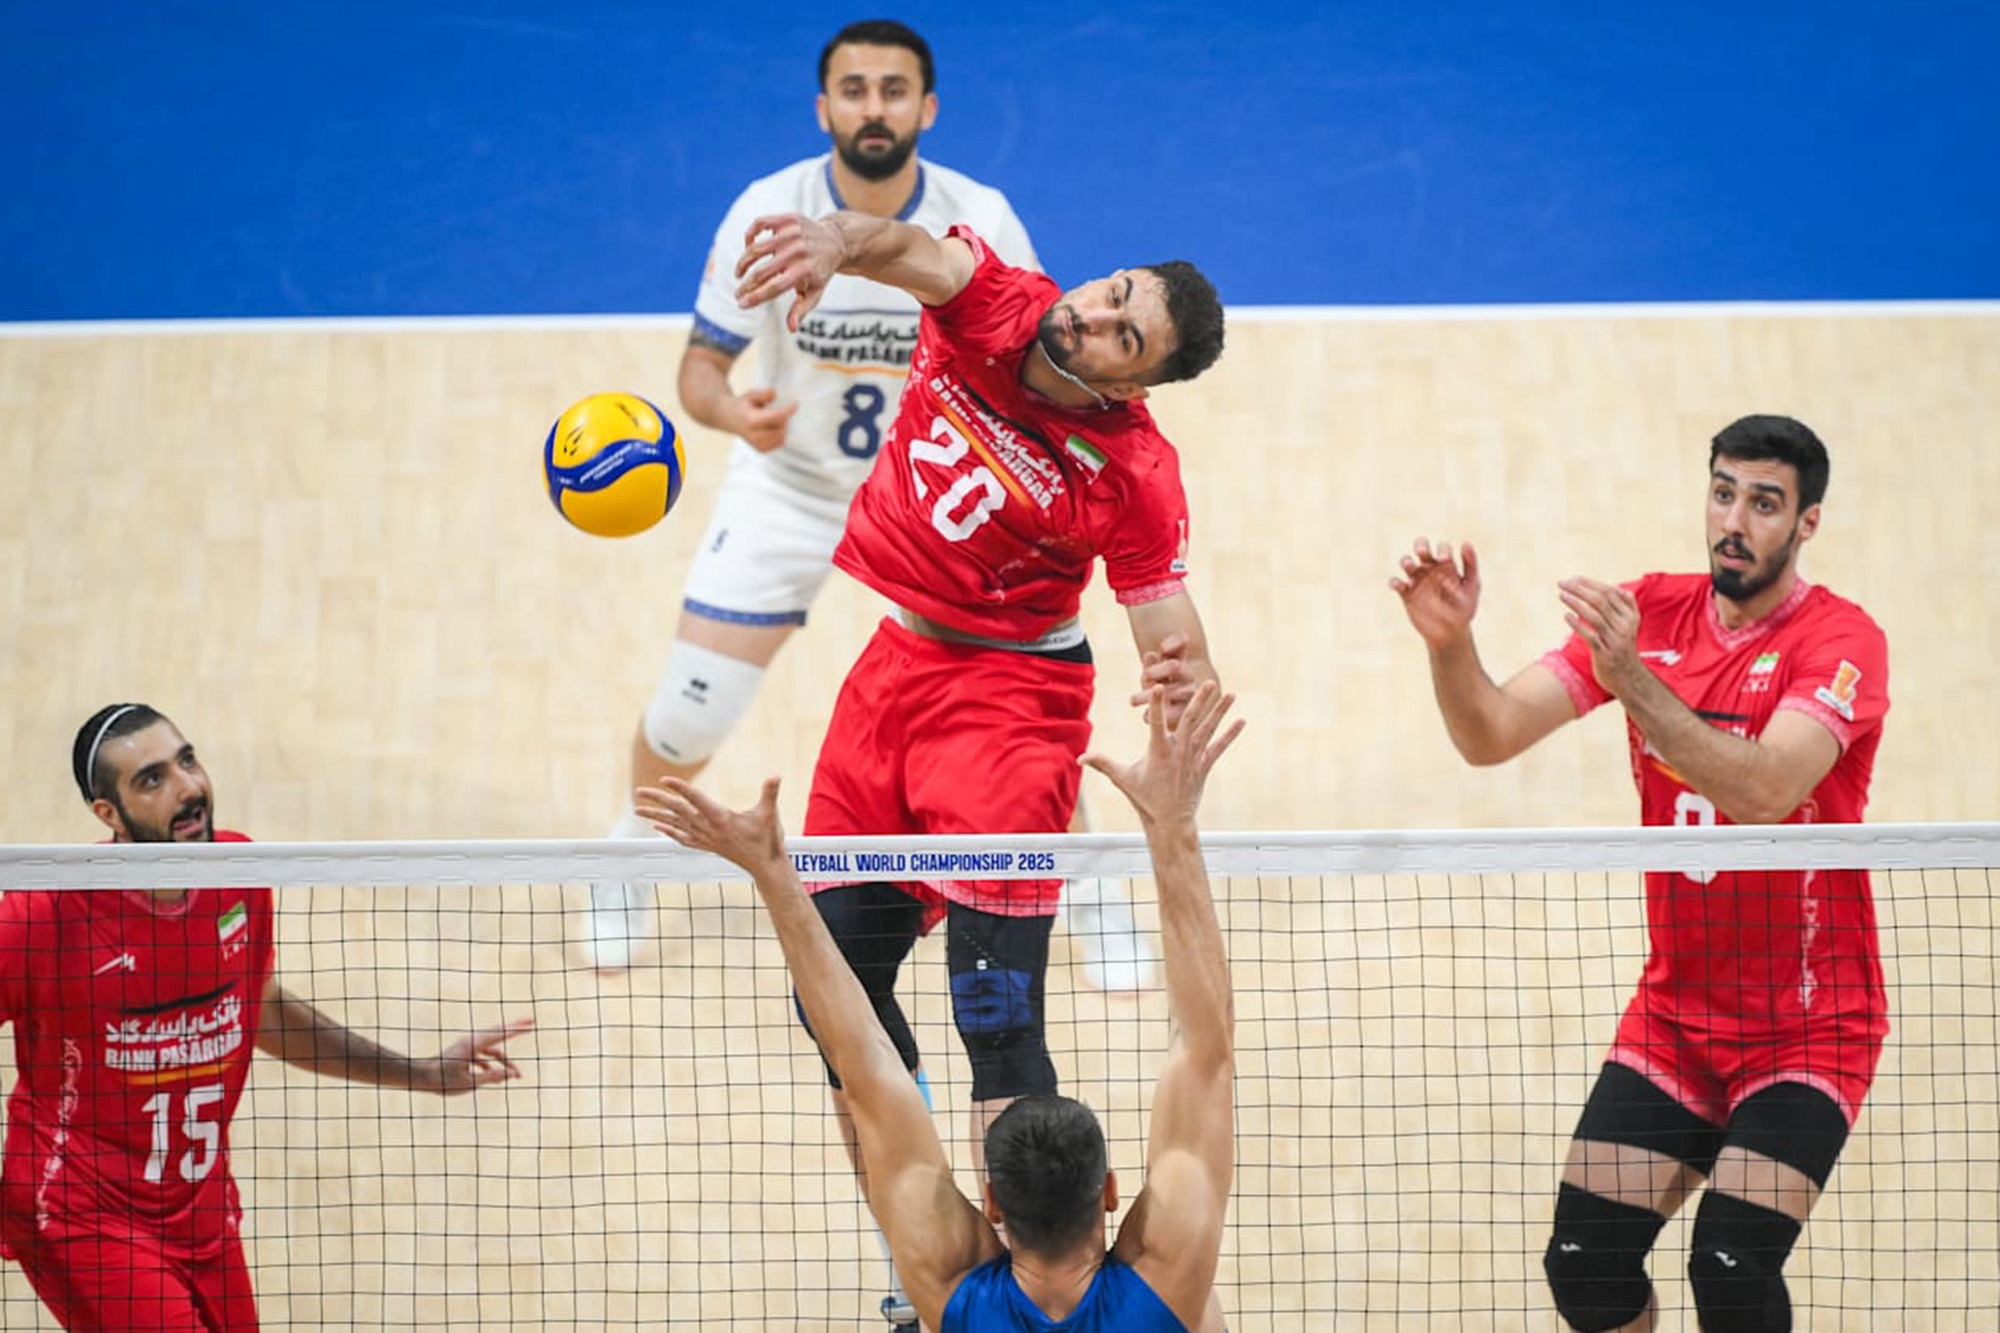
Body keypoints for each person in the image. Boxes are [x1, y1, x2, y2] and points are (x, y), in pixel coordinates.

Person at [726, 201, 1225, 1324]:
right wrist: (833, 242)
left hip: (1009, 709)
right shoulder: (1000, 306)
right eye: (1111, 294)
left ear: (1136, 385)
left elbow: (1164, 615)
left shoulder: (1132, 470)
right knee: (834, 991)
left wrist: (1182, 698)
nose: (1093, 318)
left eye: (1125, 336)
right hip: (894, 673)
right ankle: (926, 1265)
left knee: (994, 1019)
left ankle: (1046, 1295)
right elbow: (907, 248)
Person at [1390, 415, 1889, 1333]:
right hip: (1678, 1017)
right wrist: (1450, 645)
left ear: (1807, 522)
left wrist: (1633, 679)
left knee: (1730, 1265)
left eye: (1765, 503)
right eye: (1724, 492)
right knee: (1583, 1264)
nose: (1734, 519)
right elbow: (1490, 732)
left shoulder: (1841, 641)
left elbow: (1767, 789)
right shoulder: (1648, 615)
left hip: (1807, 1027)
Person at [636, 679, 1242, 1332]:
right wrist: (1173, 824)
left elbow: (864, 1063)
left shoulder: (950, 1288)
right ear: (1110, 1192)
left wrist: (772, 874)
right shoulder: (1172, 1274)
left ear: (991, 1204)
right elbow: (1203, 1050)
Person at [0, 704, 534, 1332]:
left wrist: (421, 1074)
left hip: (199, 1211)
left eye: (187, 760)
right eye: (152, 779)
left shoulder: (239, 874)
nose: (188, 787)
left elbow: (260, 1012)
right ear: (108, 814)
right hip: (80, 1212)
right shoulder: (43, 915)